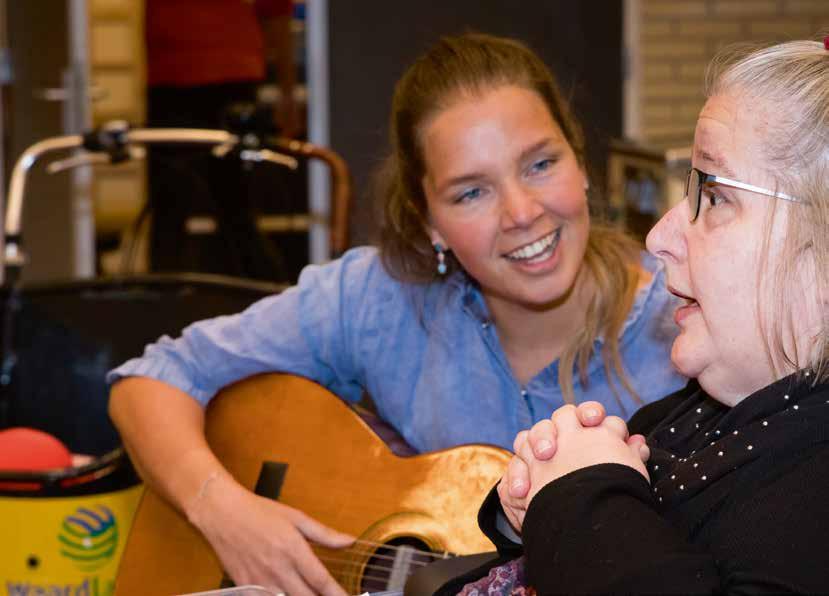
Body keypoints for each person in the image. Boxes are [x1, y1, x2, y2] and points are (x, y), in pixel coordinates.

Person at [107, 33, 686, 594]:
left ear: (580, 161)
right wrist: (224, 512)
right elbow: (151, 381)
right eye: (470, 193)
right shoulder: (381, 300)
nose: (521, 212)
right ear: (429, 220)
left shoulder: (686, 324)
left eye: (539, 165)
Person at [485, 38, 829, 595]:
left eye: (713, 196)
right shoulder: (697, 411)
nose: (659, 237)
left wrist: (583, 494)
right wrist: (536, 503)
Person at [143, 0, 298, 275]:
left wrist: (287, 93)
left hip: (227, 76)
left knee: (231, 205)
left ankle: (260, 294)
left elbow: (276, 11)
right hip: (172, 77)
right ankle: (163, 301)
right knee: (171, 205)